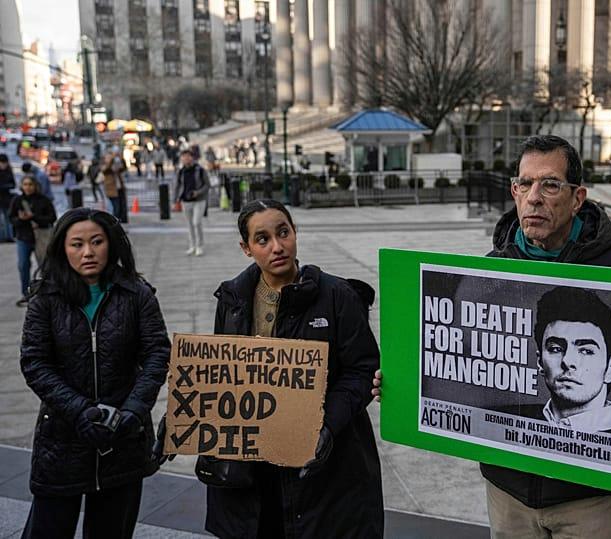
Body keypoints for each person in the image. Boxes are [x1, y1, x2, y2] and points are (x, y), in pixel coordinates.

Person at [373, 135, 611, 539]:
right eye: (524, 184)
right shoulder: (489, 272)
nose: (534, 197)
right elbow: (454, 356)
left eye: (549, 184)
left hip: (590, 498)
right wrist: (401, 381)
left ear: (577, 198)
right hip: (508, 491)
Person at [202, 199, 383, 538]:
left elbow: (362, 370)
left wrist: (326, 426)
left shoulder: (337, 295)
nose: (277, 246)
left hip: (322, 470)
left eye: (283, 233)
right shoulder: (233, 300)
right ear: (246, 248)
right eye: (263, 239)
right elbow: (220, 372)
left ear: (295, 232)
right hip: (256, 473)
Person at [19, 208, 170, 538]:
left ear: (111, 244)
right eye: (77, 244)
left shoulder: (137, 293)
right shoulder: (46, 297)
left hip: (123, 440)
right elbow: (35, 363)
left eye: (97, 242)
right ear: (62, 248)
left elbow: (157, 354)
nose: (88, 252)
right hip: (63, 440)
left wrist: (134, 410)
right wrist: (79, 411)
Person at [533, 286, 611, 433]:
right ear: (540, 362)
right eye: (555, 349)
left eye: (586, 351)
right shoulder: (512, 418)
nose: (568, 361)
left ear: (610, 369)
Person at [10, 176, 57, 307]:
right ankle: (26, 293)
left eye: (30, 184)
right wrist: (21, 219)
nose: (28, 187)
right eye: (25, 184)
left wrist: (35, 217)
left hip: (41, 238)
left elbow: (52, 218)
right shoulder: (17, 200)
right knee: (23, 265)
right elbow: (11, 218)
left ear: (35, 186)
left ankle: (47, 292)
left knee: (44, 266)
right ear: (21, 186)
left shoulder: (43, 200)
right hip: (23, 237)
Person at [174, 149, 210, 256]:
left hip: (199, 200)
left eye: (188, 156)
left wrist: (198, 192)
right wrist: (175, 200)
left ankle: (199, 246)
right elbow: (177, 186)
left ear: (192, 157)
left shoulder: (200, 170)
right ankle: (192, 246)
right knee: (189, 224)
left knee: (196, 222)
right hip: (186, 201)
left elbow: (207, 185)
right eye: (184, 156)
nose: (186, 158)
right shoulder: (180, 171)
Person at [100, 154, 125, 220]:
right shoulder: (105, 167)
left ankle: (116, 219)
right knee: (115, 207)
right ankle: (113, 220)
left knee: (119, 207)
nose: (109, 159)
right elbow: (106, 169)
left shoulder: (115, 167)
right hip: (111, 191)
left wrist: (122, 158)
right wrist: (112, 159)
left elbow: (123, 168)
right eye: (108, 158)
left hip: (119, 190)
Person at [0, 153, 15, 242]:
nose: (3, 165)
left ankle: (9, 236)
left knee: (8, 218)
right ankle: (2, 237)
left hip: (6, 198)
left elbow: (13, 184)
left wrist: (4, 186)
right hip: (3, 197)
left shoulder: (9, 171)